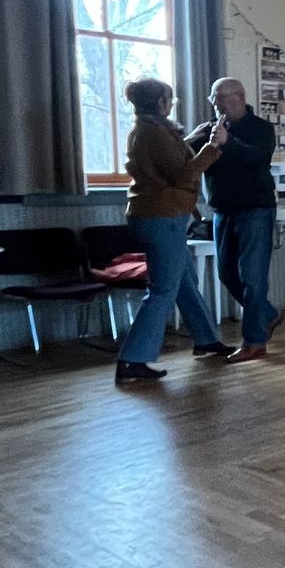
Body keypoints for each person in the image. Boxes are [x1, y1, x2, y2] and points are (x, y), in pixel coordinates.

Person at [114, 77, 231, 385]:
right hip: (161, 217)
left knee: (185, 282)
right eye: (170, 100)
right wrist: (213, 147)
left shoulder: (152, 128)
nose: (171, 104)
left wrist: (191, 139)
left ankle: (206, 339)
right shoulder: (153, 133)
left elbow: (171, 159)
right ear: (160, 104)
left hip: (159, 215)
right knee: (163, 289)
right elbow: (183, 173)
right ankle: (132, 359)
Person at [186, 77, 280, 361]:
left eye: (220, 99)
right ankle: (269, 315)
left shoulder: (261, 128)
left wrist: (230, 142)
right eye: (212, 100)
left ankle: (255, 341)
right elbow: (182, 160)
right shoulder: (210, 130)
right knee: (227, 274)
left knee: (253, 277)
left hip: (256, 209)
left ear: (238, 97)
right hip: (222, 211)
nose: (215, 105)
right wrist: (190, 140)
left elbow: (258, 158)